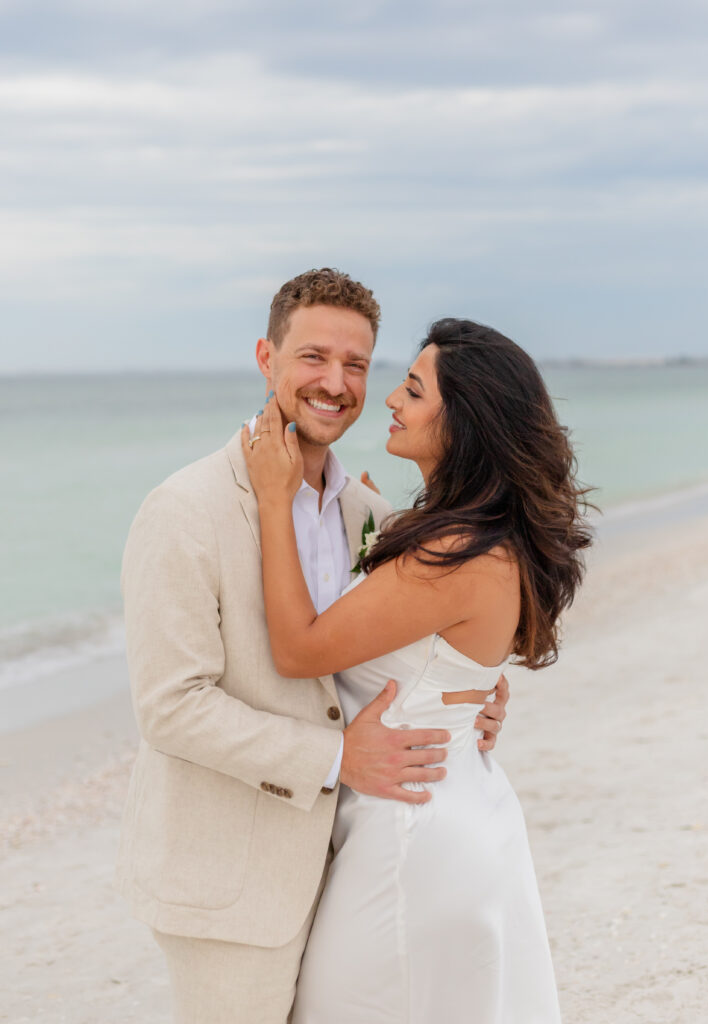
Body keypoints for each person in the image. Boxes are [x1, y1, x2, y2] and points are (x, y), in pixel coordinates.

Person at [116, 269, 509, 1023]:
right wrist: (335, 759)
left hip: (354, 866)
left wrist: (475, 693)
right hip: (233, 884)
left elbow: (408, 643)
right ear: (267, 358)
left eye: (356, 364)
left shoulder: (373, 512)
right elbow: (171, 707)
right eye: (313, 358)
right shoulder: (184, 510)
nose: (335, 383)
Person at [242, 316, 592, 1023]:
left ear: (462, 420)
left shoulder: (455, 552)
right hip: (459, 808)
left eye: (413, 389)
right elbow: (449, 658)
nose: (392, 402)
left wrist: (276, 502)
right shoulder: (476, 533)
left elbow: (299, 650)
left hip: (416, 838)